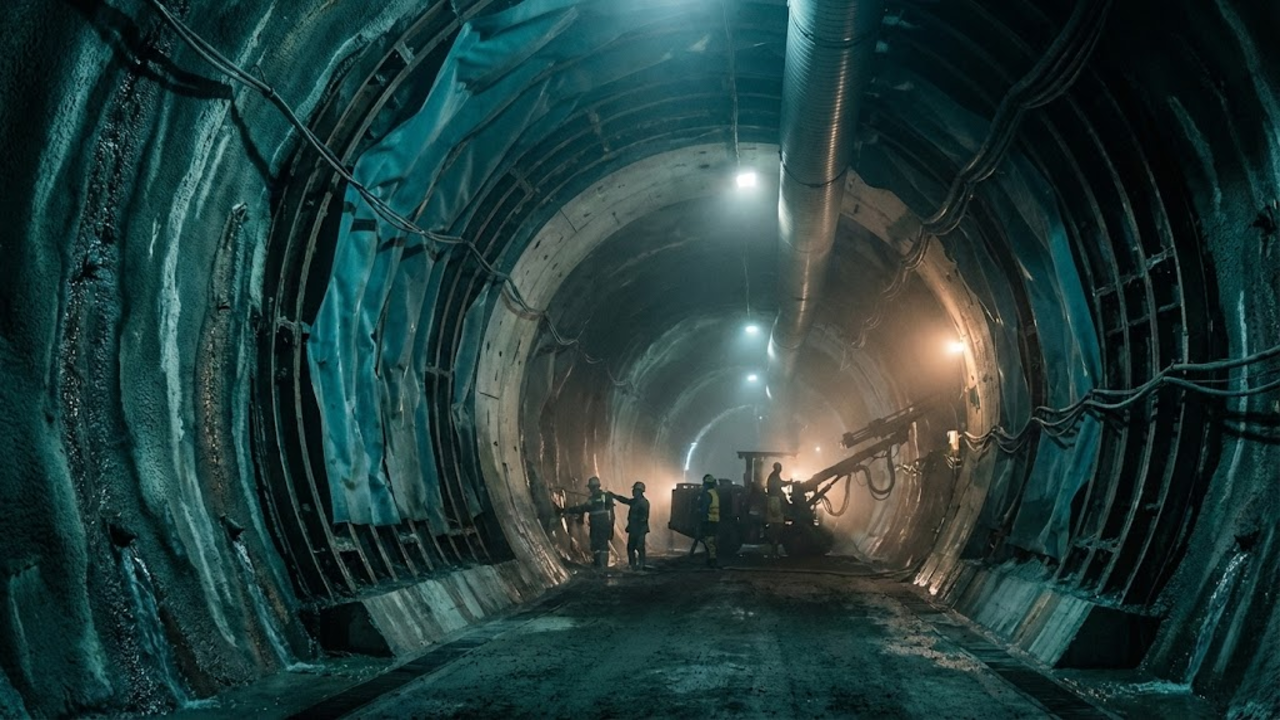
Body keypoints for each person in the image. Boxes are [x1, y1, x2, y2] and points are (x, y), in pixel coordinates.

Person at [560, 476, 615, 567]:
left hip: (596, 525)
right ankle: (603, 566)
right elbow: (612, 513)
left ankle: (599, 566)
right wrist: (611, 526)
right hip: (605, 524)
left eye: (591, 488)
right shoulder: (606, 496)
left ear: (592, 487)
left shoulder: (592, 499)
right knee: (603, 546)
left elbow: (583, 508)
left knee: (597, 546)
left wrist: (567, 510)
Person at [610, 481, 650, 570]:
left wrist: (635, 524)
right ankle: (633, 565)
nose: (633, 492)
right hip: (634, 529)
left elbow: (644, 518)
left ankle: (641, 565)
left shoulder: (643, 503)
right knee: (630, 548)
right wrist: (614, 496)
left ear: (639, 491)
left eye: (635, 490)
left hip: (640, 529)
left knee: (639, 547)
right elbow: (625, 500)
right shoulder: (636, 501)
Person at [697, 473, 720, 568]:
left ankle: (712, 560)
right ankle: (711, 559)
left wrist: (701, 517)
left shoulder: (707, 494)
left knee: (708, 540)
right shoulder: (714, 493)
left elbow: (704, 508)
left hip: (708, 520)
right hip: (715, 520)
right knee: (711, 540)